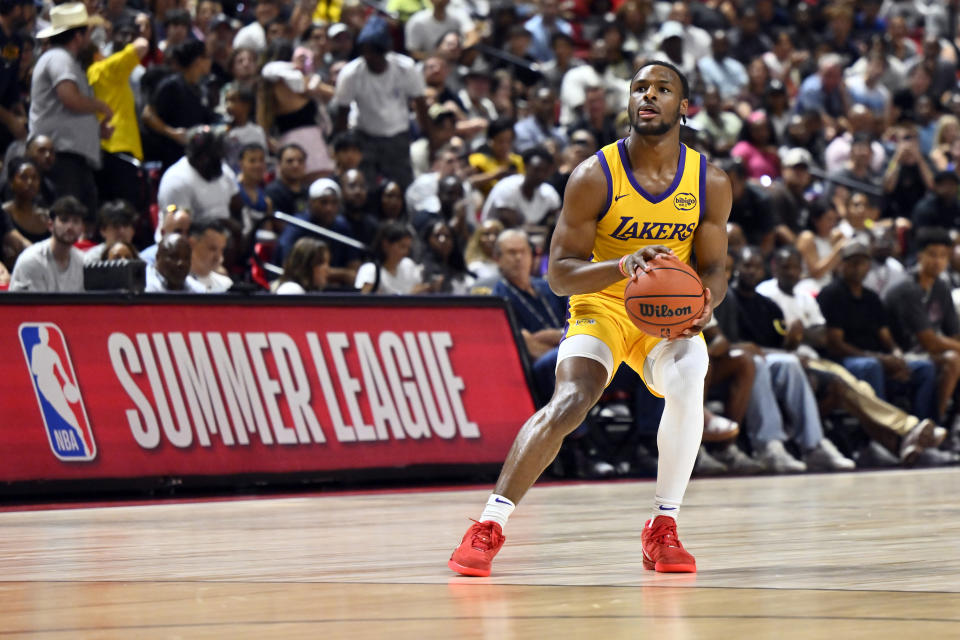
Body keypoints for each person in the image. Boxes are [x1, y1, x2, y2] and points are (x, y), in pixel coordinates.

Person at [449, 61, 731, 576]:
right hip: (601, 304)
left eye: (662, 89)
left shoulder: (709, 181)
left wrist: (707, 302)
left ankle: (662, 527)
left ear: (683, 108)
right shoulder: (593, 175)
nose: (648, 96)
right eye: (639, 88)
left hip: (663, 317)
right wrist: (621, 265)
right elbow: (559, 275)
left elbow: (713, 267)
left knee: (691, 376)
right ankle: (489, 524)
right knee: (571, 400)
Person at [759, 246, 947, 465]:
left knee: (862, 387)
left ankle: (904, 442)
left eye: (794, 267)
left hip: (814, 359)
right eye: (785, 267)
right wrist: (794, 340)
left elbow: (822, 337)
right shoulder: (767, 293)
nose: (790, 272)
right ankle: (908, 429)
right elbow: (823, 341)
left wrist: (896, 355)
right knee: (855, 380)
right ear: (774, 268)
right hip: (789, 362)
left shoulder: (805, 297)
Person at [817, 241, 937, 422]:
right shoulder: (831, 294)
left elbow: (886, 336)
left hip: (875, 356)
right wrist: (879, 359)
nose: (857, 268)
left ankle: (922, 427)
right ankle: (885, 429)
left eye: (863, 262)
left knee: (924, 368)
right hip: (844, 360)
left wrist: (897, 356)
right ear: (842, 265)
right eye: (852, 262)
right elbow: (835, 344)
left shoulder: (871, 297)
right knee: (870, 366)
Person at [30, 3, 112, 221]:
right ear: (78, 36)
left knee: (82, 218)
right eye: (88, 32)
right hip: (62, 156)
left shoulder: (66, 60)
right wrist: (100, 106)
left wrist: (95, 128)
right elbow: (69, 97)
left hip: (74, 157)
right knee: (69, 218)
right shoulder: (59, 57)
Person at [883, 228, 960, 427]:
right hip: (901, 354)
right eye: (932, 255)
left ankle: (951, 428)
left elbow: (954, 333)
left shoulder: (941, 287)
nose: (938, 261)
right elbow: (929, 342)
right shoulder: (907, 288)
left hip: (926, 354)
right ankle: (933, 429)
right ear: (919, 255)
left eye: (943, 256)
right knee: (952, 361)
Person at [156, 126, 238, 229]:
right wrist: (222, 224)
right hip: (189, 240)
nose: (220, 163)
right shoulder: (176, 180)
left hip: (221, 236)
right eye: (214, 158)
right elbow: (178, 229)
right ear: (200, 158)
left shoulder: (222, 169)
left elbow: (237, 203)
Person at [9, 196, 86, 292]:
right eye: (64, 220)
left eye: (76, 221)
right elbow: (31, 306)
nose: (70, 227)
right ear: (50, 225)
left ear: (82, 228)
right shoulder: (31, 260)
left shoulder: (83, 262)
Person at [481, 146, 561, 229]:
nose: (540, 175)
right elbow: (511, 226)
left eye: (544, 171)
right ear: (525, 167)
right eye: (536, 170)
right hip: (495, 237)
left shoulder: (548, 192)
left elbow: (558, 219)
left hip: (531, 237)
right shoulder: (507, 186)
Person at [355, 220, 427, 294]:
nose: (406, 252)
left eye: (408, 248)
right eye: (402, 246)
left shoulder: (408, 264)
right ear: (386, 244)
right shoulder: (370, 269)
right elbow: (363, 299)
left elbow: (418, 289)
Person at [83, 200, 138, 265]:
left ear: (133, 230)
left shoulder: (140, 260)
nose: (121, 231)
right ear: (103, 230)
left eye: (125, 225)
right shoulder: (90, 260)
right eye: (116, 226)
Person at [187, 219, 233, 292]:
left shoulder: (226, 285)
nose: (218, 257)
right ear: (192, 243)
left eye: (221, 250)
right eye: (212, 249)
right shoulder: (175, 284)